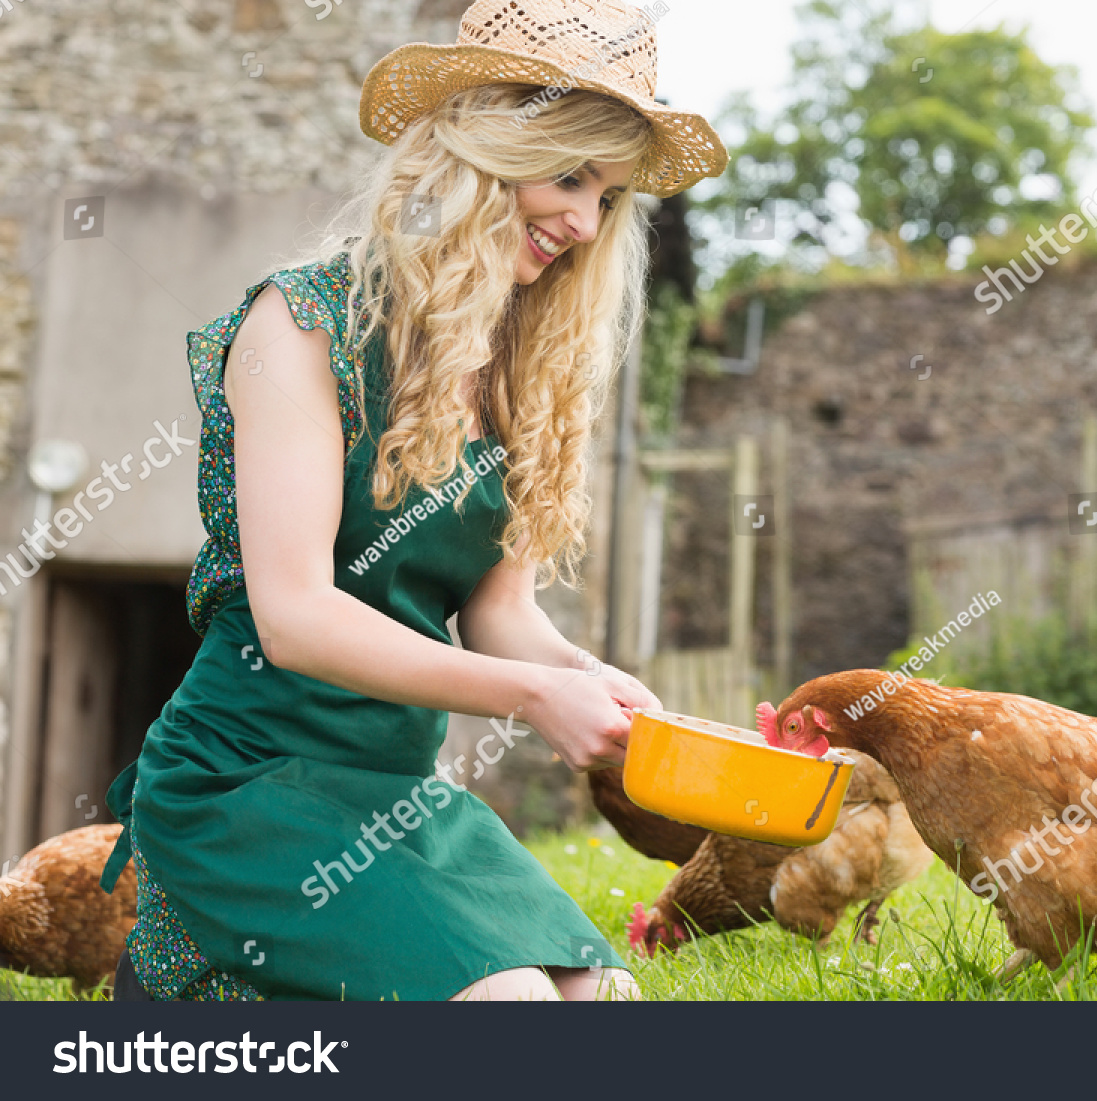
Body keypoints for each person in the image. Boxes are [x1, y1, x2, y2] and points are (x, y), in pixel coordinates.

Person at [99, 0, 727, 1002]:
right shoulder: (301, 324)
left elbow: (498, 612)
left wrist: (591, 679)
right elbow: (296, 616)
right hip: (251, 776)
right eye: (568, 175)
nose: (583, 220)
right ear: (480, 147)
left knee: (608, 1003)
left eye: (606, 196)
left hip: (393, 787)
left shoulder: (527, 370)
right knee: (512, 1010)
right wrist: (529, 698)